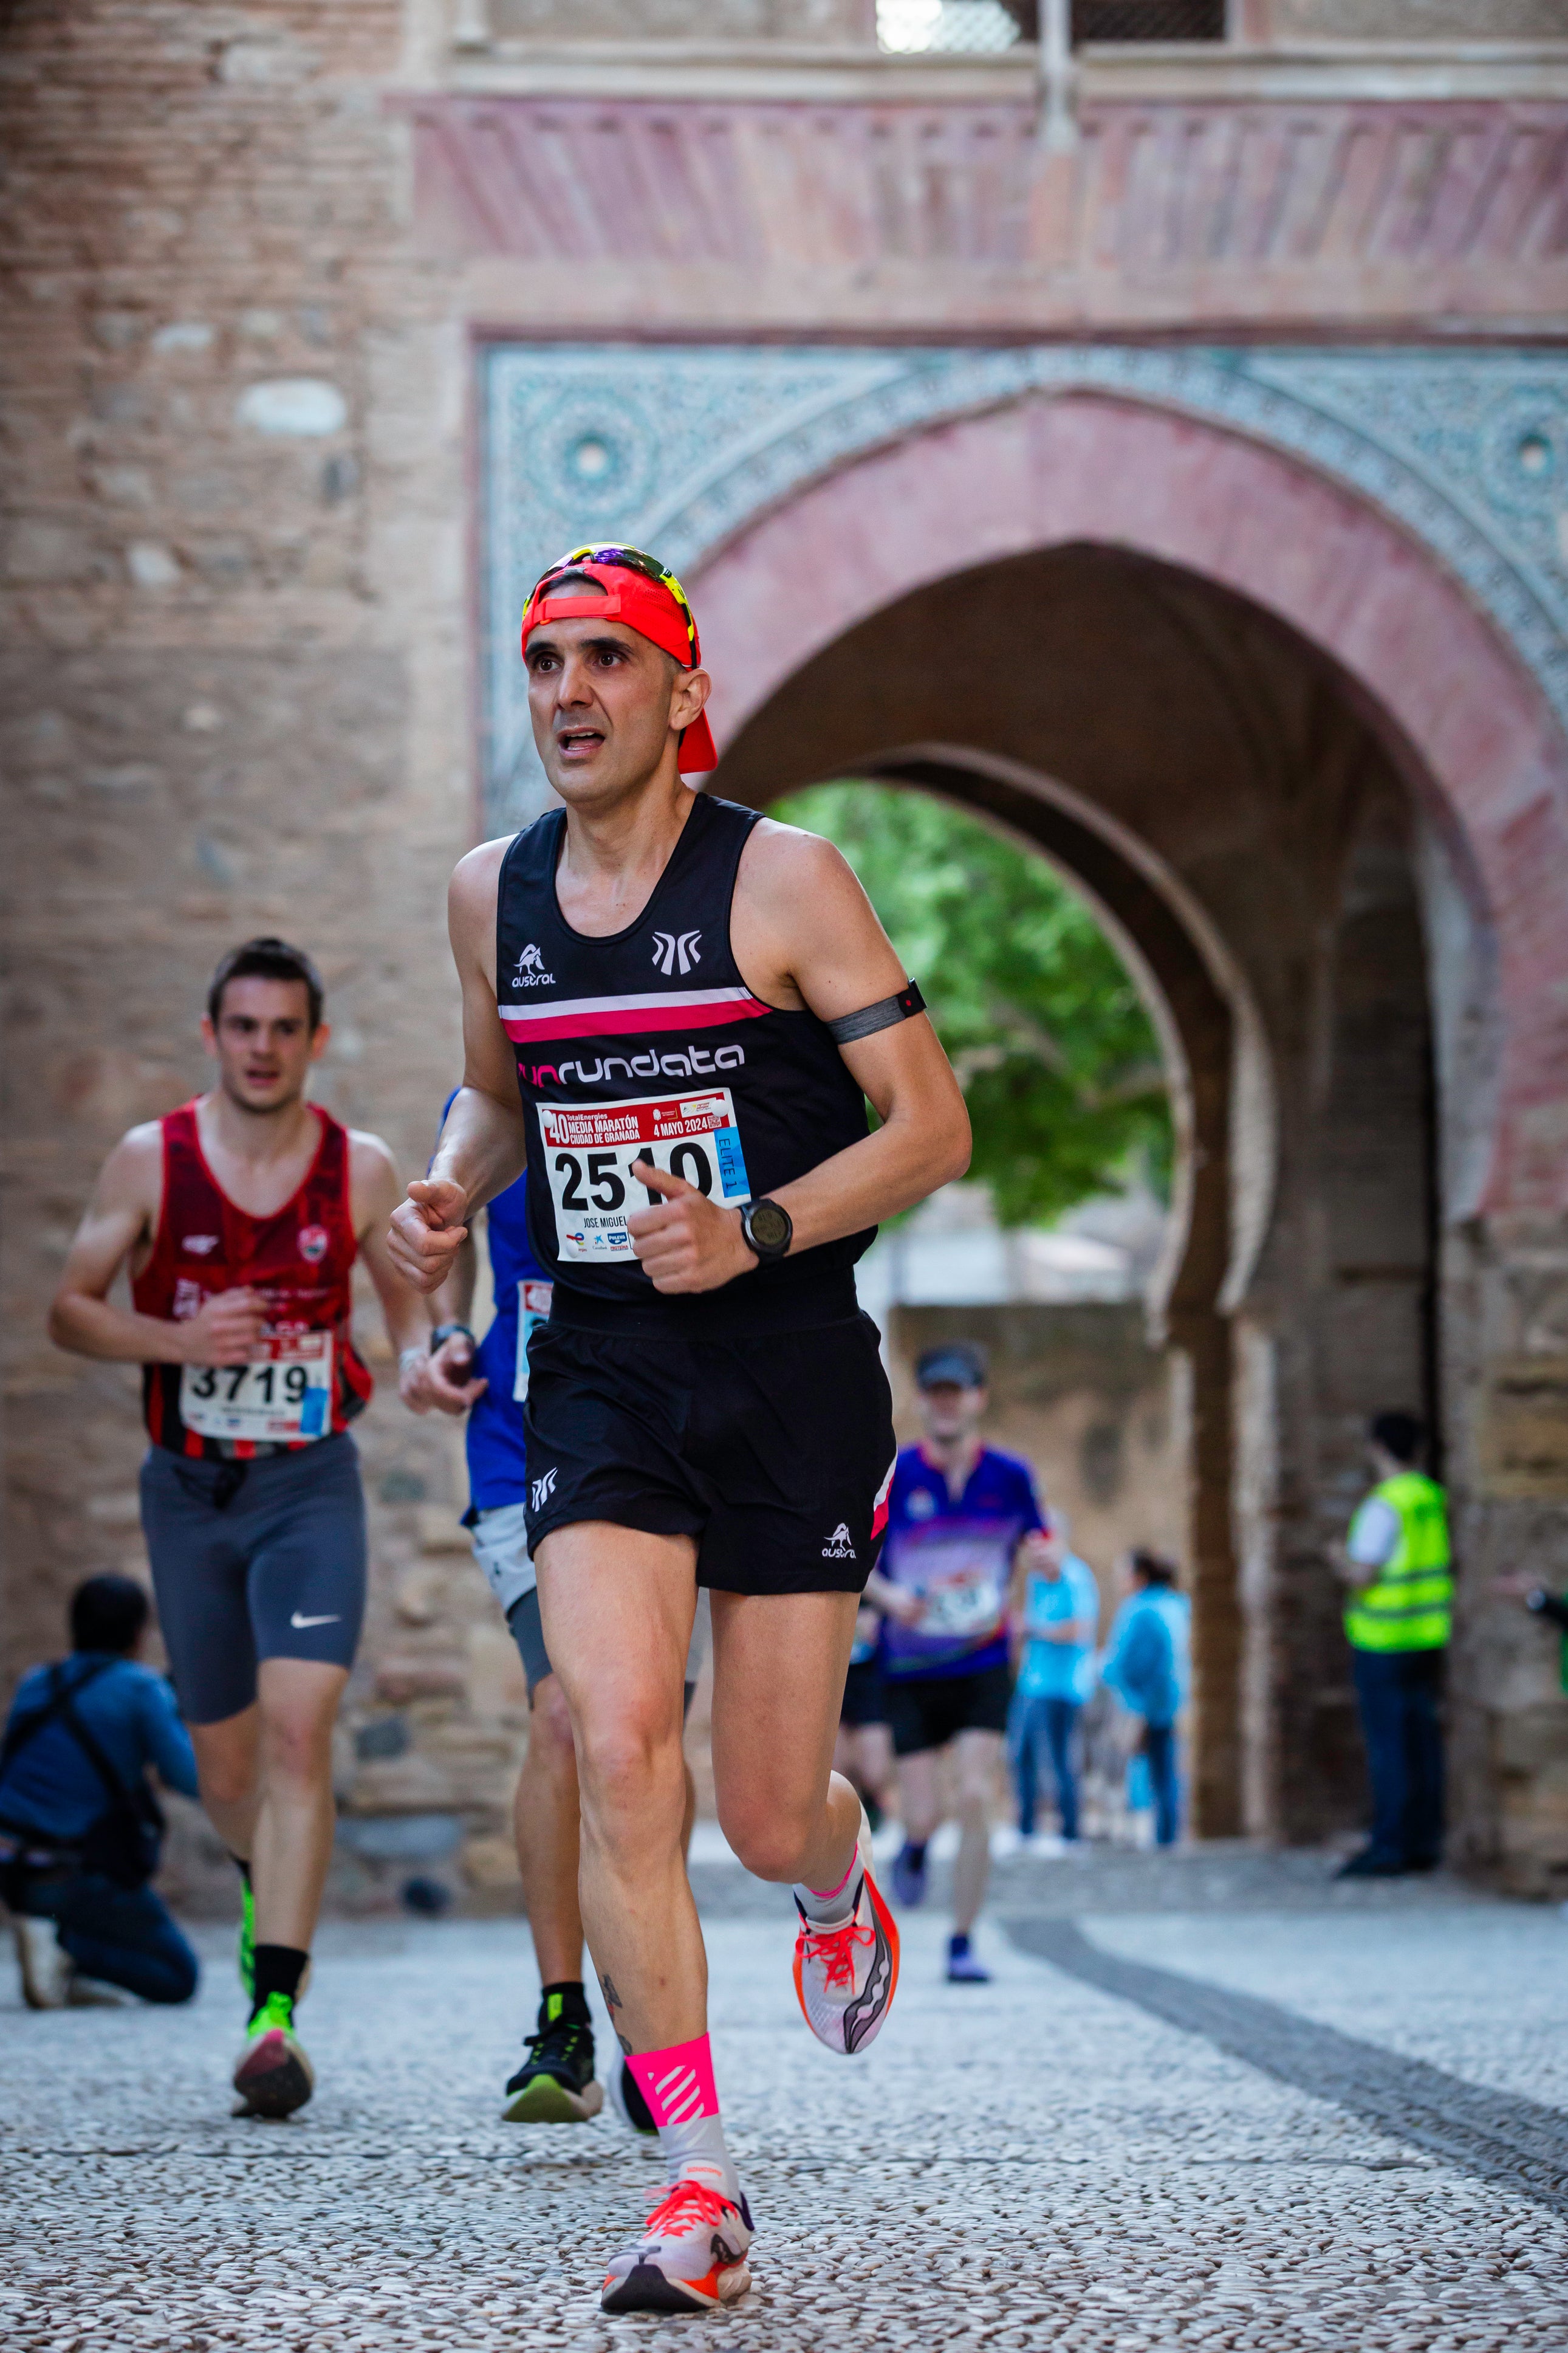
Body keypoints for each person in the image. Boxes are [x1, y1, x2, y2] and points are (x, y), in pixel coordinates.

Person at [387, 543, 970, 2312]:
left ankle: (834, 1883)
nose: (567, 692)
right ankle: (697, 2179)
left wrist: (763, 1226)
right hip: (604, 1367)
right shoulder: (491, 893)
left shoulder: (782, 880)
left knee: (764, 1808)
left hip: (787, 1358)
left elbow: (929, 1125)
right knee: (619, 1740)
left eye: (605, 662)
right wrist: (439, 1191)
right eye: (544, 661)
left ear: (678, 691)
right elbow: (501, 1096)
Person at [47, 936, 433, 2118]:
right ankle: (270, 1885)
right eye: (243, 1026)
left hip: (307, 1481)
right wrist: (179, 1340)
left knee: (302, 1730)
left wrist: (427, 1360)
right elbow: (70, 1309)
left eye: (285, 1029)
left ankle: (275, 2013)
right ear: (213, 1035)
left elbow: (410, 1309)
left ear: (315, 1042)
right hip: (189, 1488)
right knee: (225, 1767)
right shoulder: (149, 1162)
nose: (263, 1048)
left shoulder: (356, 1169)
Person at [411, 1128, 708, 2132]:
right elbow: (433, 1234)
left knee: (645, 1740)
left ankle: (652, 2014)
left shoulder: (677, 1034)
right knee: (564, 1716)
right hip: (524, 1435)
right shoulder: (489, 1093)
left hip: (678, 1437)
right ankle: (562, 2014)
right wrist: (441, 1336)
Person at [866, 1341, 1044, 1985]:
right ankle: (913, 1847)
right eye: (935, 1391)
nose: (946, 1402)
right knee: (924, 1812)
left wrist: (1047, 1557)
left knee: (974, 1796)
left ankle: (962, 1939)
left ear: (978, 1398)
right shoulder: (895, 1475)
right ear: (921, 1400)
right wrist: (891, 1598)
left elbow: (1038, 1536)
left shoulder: (1010, 1475)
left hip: (981, 1659)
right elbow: (853, 1559)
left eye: (958, 1391)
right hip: (911, 1669)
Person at [0, 1574, 200, 2008]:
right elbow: (189, 1779)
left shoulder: (38, 1681)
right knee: (177, 1976)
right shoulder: (141, 1688)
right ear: (137, 1633)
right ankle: (64, 1948)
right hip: (81, 1874)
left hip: (14, 1870)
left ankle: (52, 1945)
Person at [1331, 1410, 1451, 1879]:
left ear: (1377, 1448)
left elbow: (1363, 1573)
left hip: (1383, 1639)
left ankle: (1390, 1844)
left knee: (1389, 1747)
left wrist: (1337, 1559)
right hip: (1426, 1635)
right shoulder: (1430, 1497)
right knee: (1422, 1744)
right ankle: (1423, 1840)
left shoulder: (1385, 1504)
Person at [1008, 1514, 1099, 1849]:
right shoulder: (1036, 1581)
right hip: (1032, 1683)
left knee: (1060, 1761)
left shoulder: (1075, 1578)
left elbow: (1080, 1630)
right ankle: (1026, 1829)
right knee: (1021, 1756)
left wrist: (1034, 1629)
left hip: (1063, 1687)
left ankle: (1071, 1833)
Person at [1100, 1550, 1189, 1848]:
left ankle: (1160, 1835)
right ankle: (1170, 1832)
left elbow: (1123, 1661)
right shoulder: (1178, 1603)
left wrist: (1113, 1678)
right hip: (1174, 1700)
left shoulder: (1139, 1609)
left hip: (1145, 1703)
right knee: (1169, 1770)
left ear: (1138, 1576)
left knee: (1148, 1772)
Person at [833, 1605, 895, 1833]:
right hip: (828, 1674)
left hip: (869, 1675)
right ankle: (849, 1820)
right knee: (837, 1770)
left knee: (875, 1772)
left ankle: (871, 1802)